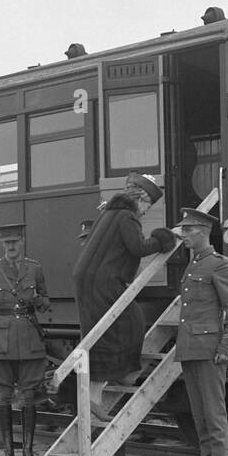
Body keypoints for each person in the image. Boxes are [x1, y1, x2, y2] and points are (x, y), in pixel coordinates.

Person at [73, 174, 177, 421]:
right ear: (141, 198)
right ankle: (118, 377)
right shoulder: (127, 216)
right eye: (147, 206)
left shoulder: (108, 214)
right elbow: (138, 248)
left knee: (100, 334)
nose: (145, 211)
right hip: (105, 282)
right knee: (131, 324)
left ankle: (97, 395)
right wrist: (163, 239)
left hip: (88, 280)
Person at [176, 207, 228, 456]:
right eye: (183, 229)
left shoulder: (220, 265)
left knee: (214, 414)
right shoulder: (194, 264)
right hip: (191, 349)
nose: (183, 234)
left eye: (188, 229)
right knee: (200, 416)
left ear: (204, 232)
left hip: (209, 350)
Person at [0, 224, 50, 456]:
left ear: (22, 242)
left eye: (15, 242)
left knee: (29, 396)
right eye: (7, 243)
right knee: (4, 395)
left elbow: (46, 302)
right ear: (2, 245)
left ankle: (28, 452)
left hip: (29, 337)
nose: (11, 247)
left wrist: (38, 300)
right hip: (0, 340)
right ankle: (8, 453)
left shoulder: (35, 268)